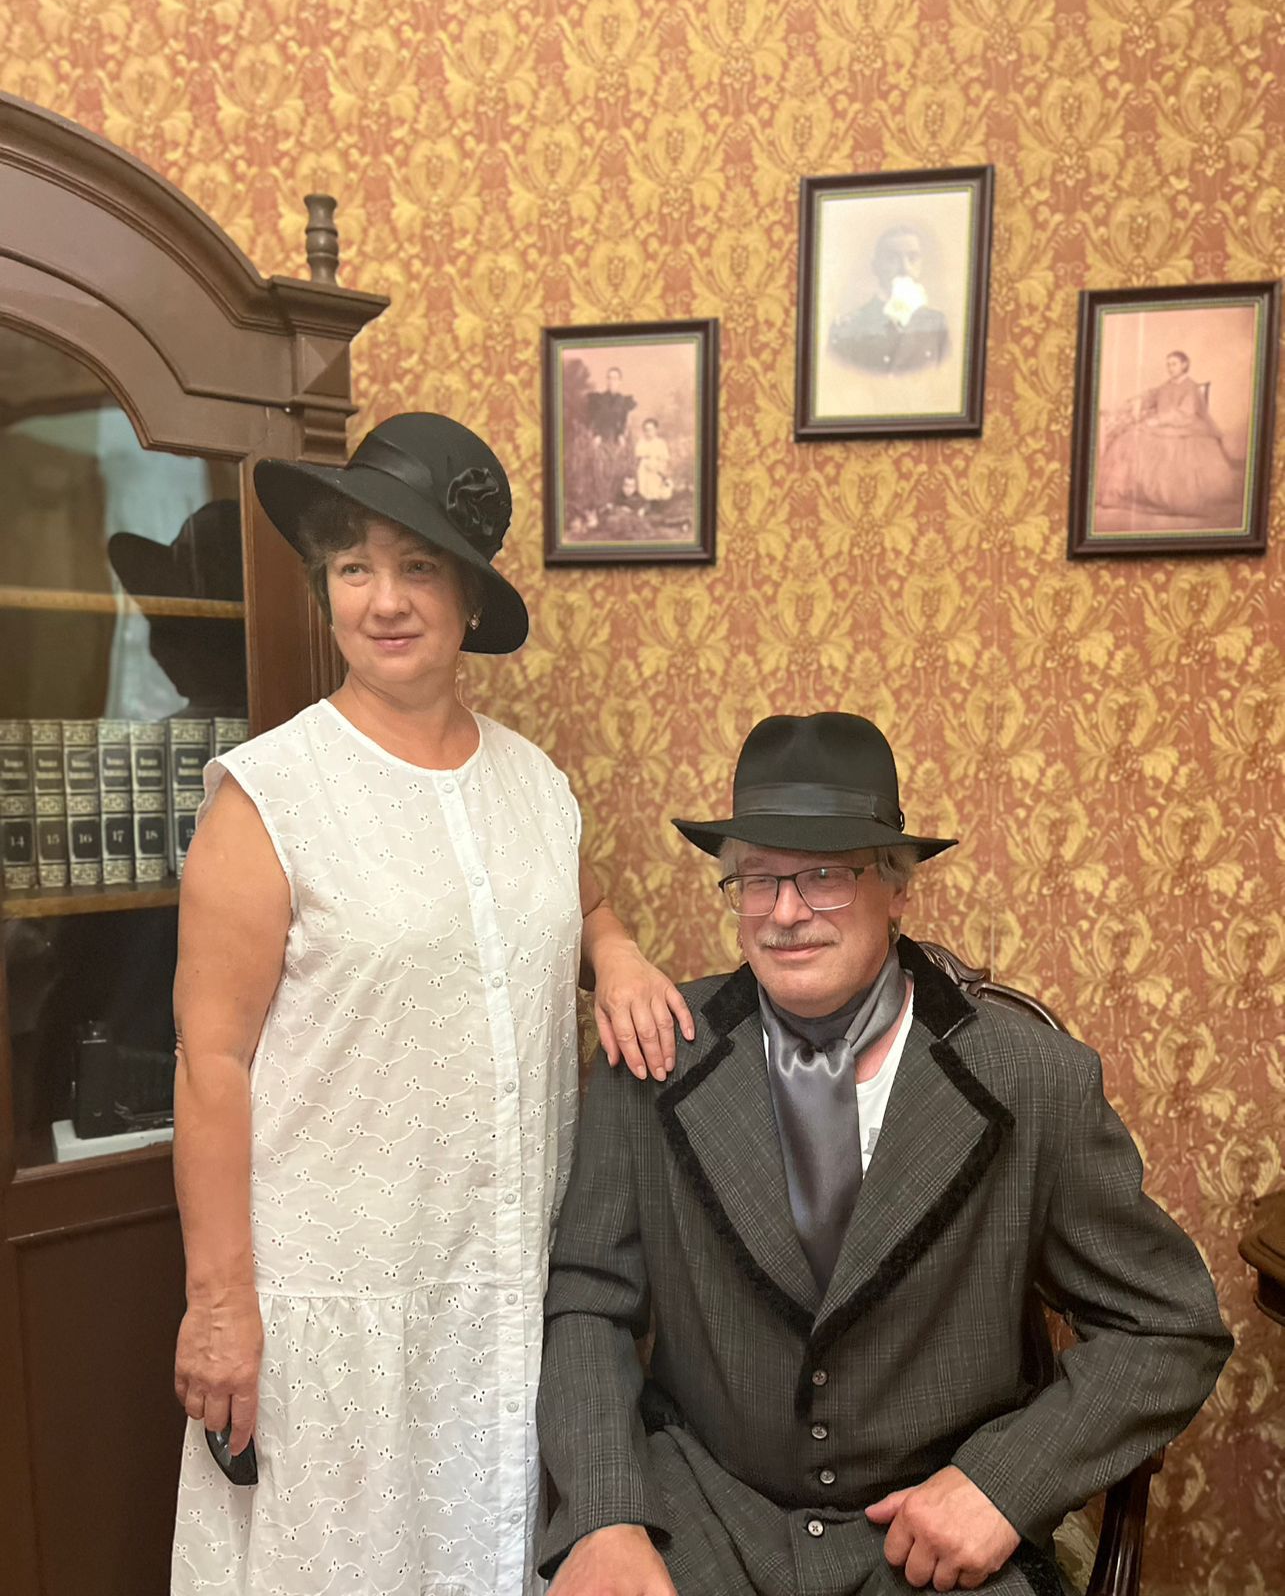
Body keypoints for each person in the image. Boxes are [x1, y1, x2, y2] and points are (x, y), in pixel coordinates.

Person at [169, 412, 693, 1596]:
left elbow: (576, 907)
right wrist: (218, 1303)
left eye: (417, 567)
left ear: (466, 598)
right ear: (325, 587)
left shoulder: (534, 784)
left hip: (503, 1303)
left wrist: (614, 953)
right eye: (354, 568)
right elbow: (211, 1063)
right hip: (332, 1314)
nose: (385, 600)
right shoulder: (269, 796)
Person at [537, 712, 1231, 1596]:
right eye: (758, 878)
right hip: (704, 1514)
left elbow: (1167, 1328)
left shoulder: (1032, 1079)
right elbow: (588, 1304)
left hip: (929, 1536)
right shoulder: (653, 1059)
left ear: (898, 887)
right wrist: (604, 1513)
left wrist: (1002, 1485)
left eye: (824, 876)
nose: (785, 913)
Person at [1096, 350, 1240, 517]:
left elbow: (1185, 413)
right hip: (1162, 426)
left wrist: (1158, 421)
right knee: (1130, 438)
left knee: (1171, 452)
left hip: (1186, 427)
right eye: (1168, 365)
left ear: (1184, 365)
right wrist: (1136, 402)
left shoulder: (1191, 387)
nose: (1170, 368)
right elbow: (1152, 396)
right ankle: (1134, 493)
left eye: (1174, 364)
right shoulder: (1166, 386)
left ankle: (1168, 498)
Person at [829, 226, 949, 375]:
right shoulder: (850, 327)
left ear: (921, 264)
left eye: (912, 258)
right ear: (875, 266)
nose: (905, 268)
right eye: (892, 259)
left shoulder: (937, 324)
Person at [634, 418, 674, 508]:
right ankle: (645, 503)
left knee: (657, 487)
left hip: (657, 469)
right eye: (646, 430)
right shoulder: (641, 442)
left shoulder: (661, 443)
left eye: (650, 430)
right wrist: (645, 459)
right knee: (643, 486)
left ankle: (655, 503)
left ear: (656, 430)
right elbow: (638, 455)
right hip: (644, 468)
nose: (648, 432)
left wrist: (660, 468)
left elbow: (664, 459)